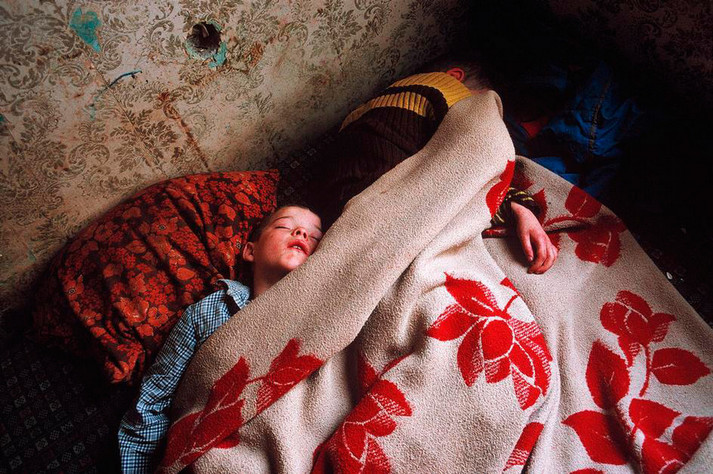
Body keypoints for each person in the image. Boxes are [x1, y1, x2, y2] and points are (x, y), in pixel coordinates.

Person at [117, 205, 323, 473]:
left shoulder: (325, 314)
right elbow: (152, 402)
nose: (302, 233)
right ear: (250, 251)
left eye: (315, 236)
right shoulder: (210, 312)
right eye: (285, 226)